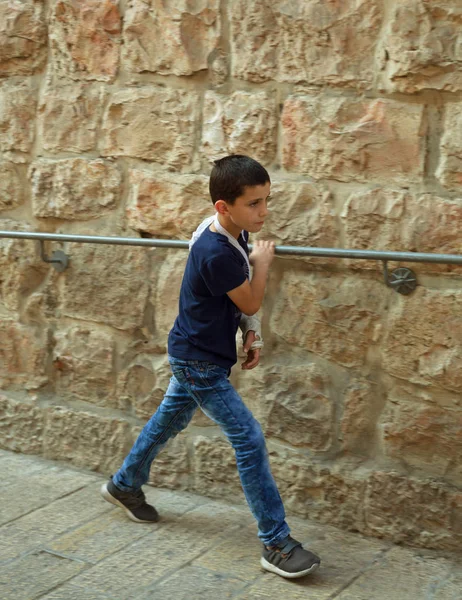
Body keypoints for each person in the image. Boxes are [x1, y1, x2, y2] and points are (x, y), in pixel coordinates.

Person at [101, 155, 321, 579]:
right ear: (224, 206)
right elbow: (250, 298)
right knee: (249, 438)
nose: (264, 211)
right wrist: (262, 265)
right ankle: (275, 542)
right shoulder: (215, 248)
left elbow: (238, 305)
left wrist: (250, 332)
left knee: (167, 421)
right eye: (254, 204)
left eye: (266, 200)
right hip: (198, 361)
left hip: (199, 351)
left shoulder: (222, 230)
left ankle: (124, 485)